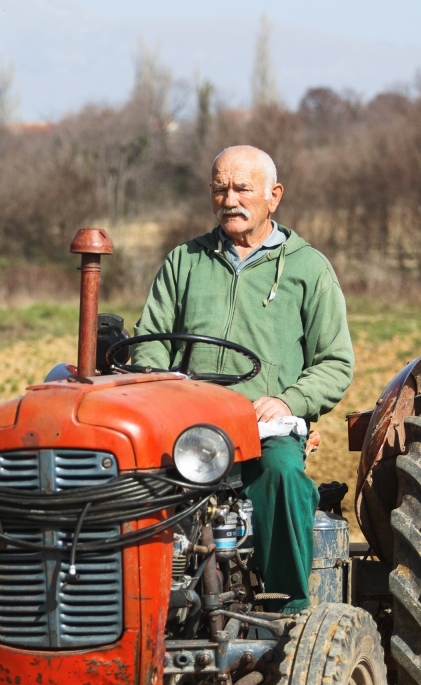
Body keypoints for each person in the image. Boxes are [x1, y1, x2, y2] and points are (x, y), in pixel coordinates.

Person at [130, 145, 354, 612]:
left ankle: (287, 602)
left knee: (282, 476)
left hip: (261, 427)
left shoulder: (308, 268)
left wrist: (289, 401)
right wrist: (164, 389)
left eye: (242, 188)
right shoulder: (184, 261)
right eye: (219, 188)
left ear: (273, 196)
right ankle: (136, 597)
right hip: (186, 425)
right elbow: (149, 342)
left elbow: (335, 362)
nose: (229, 199)